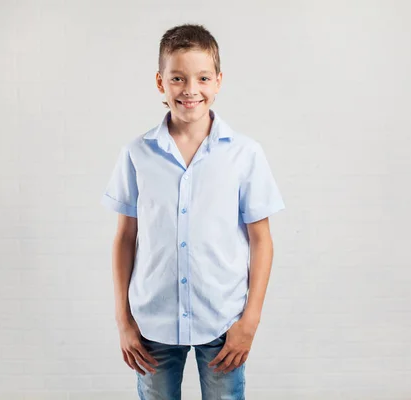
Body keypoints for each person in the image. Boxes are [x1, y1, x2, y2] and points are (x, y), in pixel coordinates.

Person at [101, 23, 285, 400]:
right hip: (152, 323)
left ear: (218, 82)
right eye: (178, 78)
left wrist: (250, 320)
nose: (190, 89)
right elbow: (125, 238)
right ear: (160, 82)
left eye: (202, 78)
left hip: (222, 322)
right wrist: (123, 320)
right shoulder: (137, 154)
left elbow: (261, 240)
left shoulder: (244, 154)